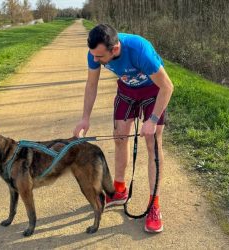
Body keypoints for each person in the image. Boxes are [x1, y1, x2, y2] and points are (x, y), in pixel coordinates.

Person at [73, 24, 174, 233]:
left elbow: (167, 86)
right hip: (127, 90)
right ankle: (119, 191)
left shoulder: (139, 50)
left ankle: (154, 204)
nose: (96, 60)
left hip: (153, 91)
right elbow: (91, 85)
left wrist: (153, 119)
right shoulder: (95, 54)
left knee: (152, 143)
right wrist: (85, 118)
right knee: (119, 137)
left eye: (100, 57)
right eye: (93, 55)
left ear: (115, 49)